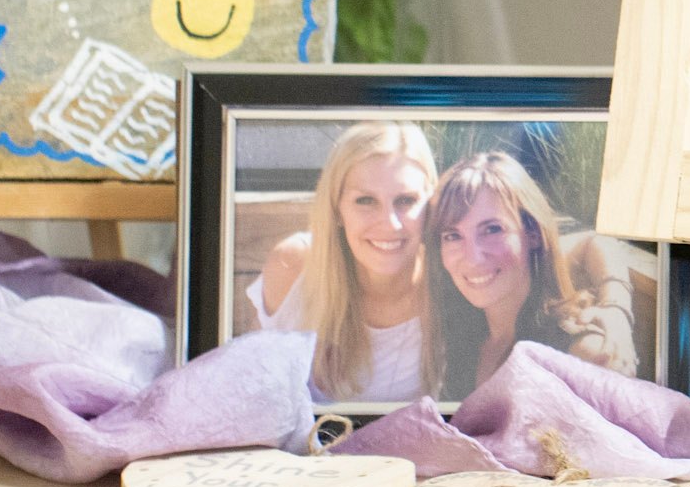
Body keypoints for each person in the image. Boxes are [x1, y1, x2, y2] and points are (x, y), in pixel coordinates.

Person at [247, 121, 442, 403]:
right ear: (337, 209)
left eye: (406, 200)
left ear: (430, 205)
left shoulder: (454, 286)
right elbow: (253, 392)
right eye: (365, 200)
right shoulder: (292, 268)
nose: (390, 223)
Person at [425, 150, 638, 395]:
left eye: (493, 229)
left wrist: (617, 309)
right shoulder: (464, 334)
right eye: (453, 236)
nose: (472, 258)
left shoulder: (582, 353)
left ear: (533, 233)